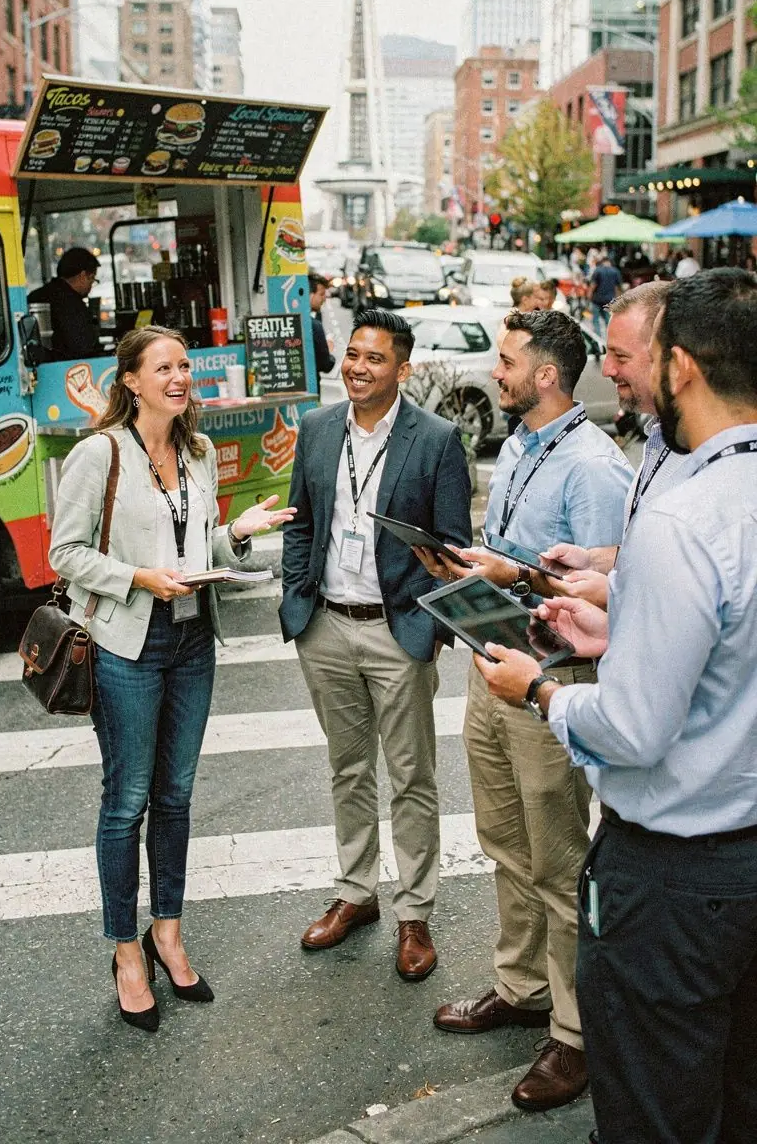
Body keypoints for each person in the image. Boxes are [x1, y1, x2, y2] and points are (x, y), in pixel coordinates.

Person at [475, 268, 757, 1144]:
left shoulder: (686, 517)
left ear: (681, 368)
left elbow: (631, 730)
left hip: (674, 880)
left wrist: (542, 691)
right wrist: (622, 627)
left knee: (653, 1107)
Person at [49, 325, 295, 1033]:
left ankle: (168, 930)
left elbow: (198, 547)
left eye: (185, 365)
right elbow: (65, 553)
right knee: (127, 800)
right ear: (131, 380)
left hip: (192, 637)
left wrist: (237, 533)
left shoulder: (198, 450)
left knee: (177, 796)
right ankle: (126, 950)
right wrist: (135, 578)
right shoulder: (100, 455)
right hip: (128, 640)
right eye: (165, 367)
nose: (181, 376)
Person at [423, 310, 632, 1114]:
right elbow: (519, 556)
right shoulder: (516, 445)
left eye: (507, 360)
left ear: (547, 375)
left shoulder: (593, 467)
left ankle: (576, 1035)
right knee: (503, 839)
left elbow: (603, 594)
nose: (497, 371)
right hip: (493, 664)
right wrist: (480, 566)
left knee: (557, 857)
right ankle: (521, 985)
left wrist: (513, 579)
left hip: (550, 679)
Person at [279, 309, 472, 980]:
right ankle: (355, 893)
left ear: (404, 368)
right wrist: (294, 598)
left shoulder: (438, 439)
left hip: (399, 631)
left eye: (375, 358)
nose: (357, 367)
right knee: (347, 768)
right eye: (352, 354)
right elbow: (300, 521)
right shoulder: (316, 428)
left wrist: (433, 629)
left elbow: (450, 545)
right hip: (326, 624)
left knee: (412, 777)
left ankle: (414, 910)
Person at [543, 280, 684, 609]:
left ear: (670, 359)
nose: (607, 369)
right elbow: (650, 557)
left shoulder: (706, 458)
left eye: (620, 356)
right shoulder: (660, 437)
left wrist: (612, 596)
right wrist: (593, 561)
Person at [28, 246, 101, 361]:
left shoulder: (37, 295)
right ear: (82, 276)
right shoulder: (73, 305)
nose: (92, 284)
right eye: (92, 279)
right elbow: (84, 349)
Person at [308, 271, 336, 381]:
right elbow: (325, 364)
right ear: (310, 295)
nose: (324, 299)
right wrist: (327, 350)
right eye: (321, 294)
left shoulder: (317, 316)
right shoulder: (314, 325)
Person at [587, 253, 622, 335]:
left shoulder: (598, 270)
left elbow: (593, 286)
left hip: (597, 300)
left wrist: (589, 296)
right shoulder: (615, 271)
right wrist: (618, 300)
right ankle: (609, 338)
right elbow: (618, 288)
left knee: (596, 320)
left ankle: (598, 338)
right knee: (608, 320)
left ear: (602, 262)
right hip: (609, 301)